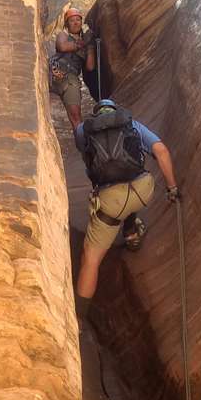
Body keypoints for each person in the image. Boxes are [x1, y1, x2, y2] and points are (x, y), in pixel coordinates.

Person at [73, 100, 179, 324]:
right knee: (130, 192)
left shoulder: (84, 130)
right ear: (116, 111)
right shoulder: (132, 125)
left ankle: (78, 321)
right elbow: (161, 151)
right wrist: (172, 189)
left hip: (111, 203)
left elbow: (87, 158)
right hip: (143, 190)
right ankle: (131, 233)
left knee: (90, 259)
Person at [48, 6, 96, 130]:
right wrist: (83, 43)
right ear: (67, 24)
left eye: (78, 20)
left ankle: (81, 139)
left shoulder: (87, 43)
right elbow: (62, 47)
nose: (75, 23)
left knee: (75, 116)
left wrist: (90, 47)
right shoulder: (63, 35)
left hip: (70, 78)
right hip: (54, 72)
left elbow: (90, 67)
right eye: (72, 20)